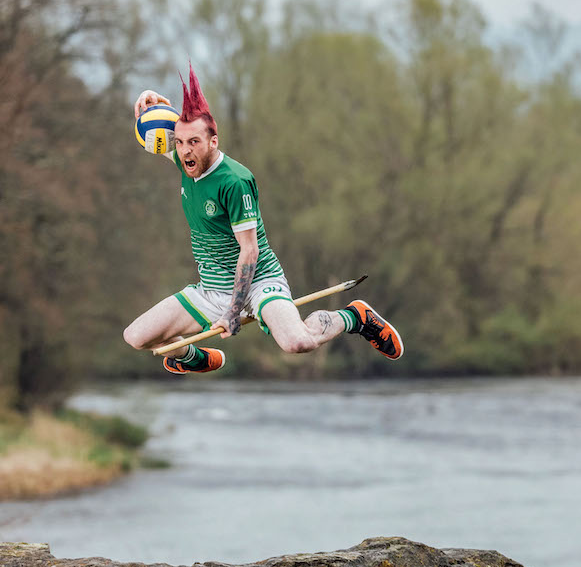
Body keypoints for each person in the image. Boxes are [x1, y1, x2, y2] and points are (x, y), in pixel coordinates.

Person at [123, 66, 403, 374]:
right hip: (210, 291)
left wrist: (233, 310)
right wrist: (154, 105)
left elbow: (250, 250)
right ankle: (196, 358)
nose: (185, 151)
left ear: (213, 141)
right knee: (136, 337)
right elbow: (165, 132)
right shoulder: (184, 158)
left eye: (194, 143)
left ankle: (356, 317)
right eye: (180, 142)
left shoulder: (235, 181)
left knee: (298, 343)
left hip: (259, 283)